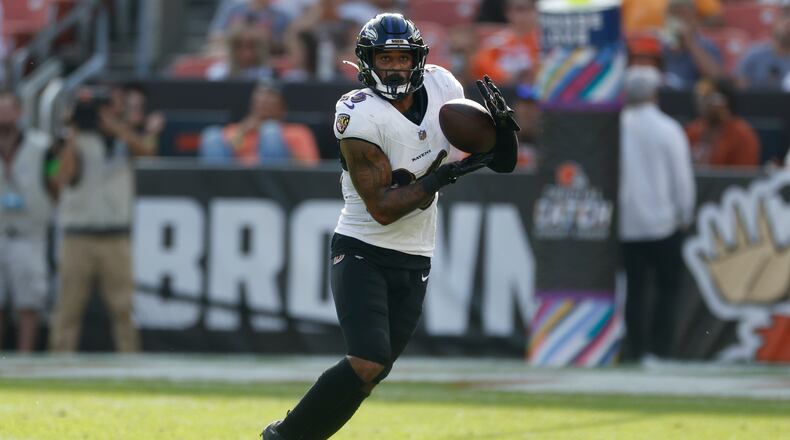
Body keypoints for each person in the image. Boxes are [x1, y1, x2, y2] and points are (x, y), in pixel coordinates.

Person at [261, 13, 519, 440]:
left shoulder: (443, 88)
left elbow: (504, 164)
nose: (396, 66)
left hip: (416, 252)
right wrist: (441, 176)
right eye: (385, 58)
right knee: (366, 358)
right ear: (367, 62)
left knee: (371, 374)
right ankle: (283, 436)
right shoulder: (357, 113)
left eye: (403, 57)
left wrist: (504, 135)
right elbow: (382, 207)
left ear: (417, 58)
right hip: (363, 246)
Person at [48, 83, 155, 353]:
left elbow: (147, 153)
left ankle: (130, 361)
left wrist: (116, 128)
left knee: (123, 307)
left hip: (115, 235)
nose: (106, 111)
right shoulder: (71, 139)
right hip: (78, 234)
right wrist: (73, 129)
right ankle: (58, 361)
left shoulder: (126, 137)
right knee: (69, 305)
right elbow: (63, 176)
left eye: (111, 105)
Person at [619, 65, 696, 362]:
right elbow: (682, 178)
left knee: (634, 290)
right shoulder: (668, 129)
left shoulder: (615, 127)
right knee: (667, 289)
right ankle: (660, 349)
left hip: (627, 222)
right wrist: (684, 213)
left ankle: (635, 349)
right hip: (664, 222)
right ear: (654, 93)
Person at [0, 90, 56, 352]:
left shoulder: (42, 147)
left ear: (20, 112)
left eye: (8, 109)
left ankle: (25, 357)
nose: (4, 116)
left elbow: (56, 180)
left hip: (29, 233)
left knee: (28, 303)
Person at [199, 83, 320, 166]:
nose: (264, 105)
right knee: (211, 135)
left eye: (269, 102)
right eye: (260, 102)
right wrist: (243, 131)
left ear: (283, 109)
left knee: (270, 130)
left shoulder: (298, 132)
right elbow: (220, 153)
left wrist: (285, 152)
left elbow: (310, 168)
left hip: (279, 183)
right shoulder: (237, 130)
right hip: (237, 183)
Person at [684, 78, 761, 167]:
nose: (702, 103)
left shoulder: (743, 134)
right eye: (700, 97)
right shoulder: (691, 130)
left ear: (723, 101)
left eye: (708, 97)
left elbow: (743, 176)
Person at [471, 0, 540, 85]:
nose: (528, 15)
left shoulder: (543, 43)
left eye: (531, 9)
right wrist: (511, 77)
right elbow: (480, 67)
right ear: (508, 13)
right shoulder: (496, 43)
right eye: (520, 10)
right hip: (505, 93)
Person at [661, 0, 724, 90]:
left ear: (694, 18)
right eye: (674, 15)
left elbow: (718, 79)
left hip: (692, 98)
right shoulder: (660, 46)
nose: (679, 20)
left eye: (683, 14)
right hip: (666, 97)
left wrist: (690, 42)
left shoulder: (706, 45)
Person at [736, 5, 790, 90]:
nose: (788, 22)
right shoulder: (753, 55)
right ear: (774, 23)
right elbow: (741, 93)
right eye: (785, 16)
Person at [207, 23, 276, 81]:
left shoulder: (267, 74)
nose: (246, 53)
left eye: (251, 47)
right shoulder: (218, 73)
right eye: (239, 46)